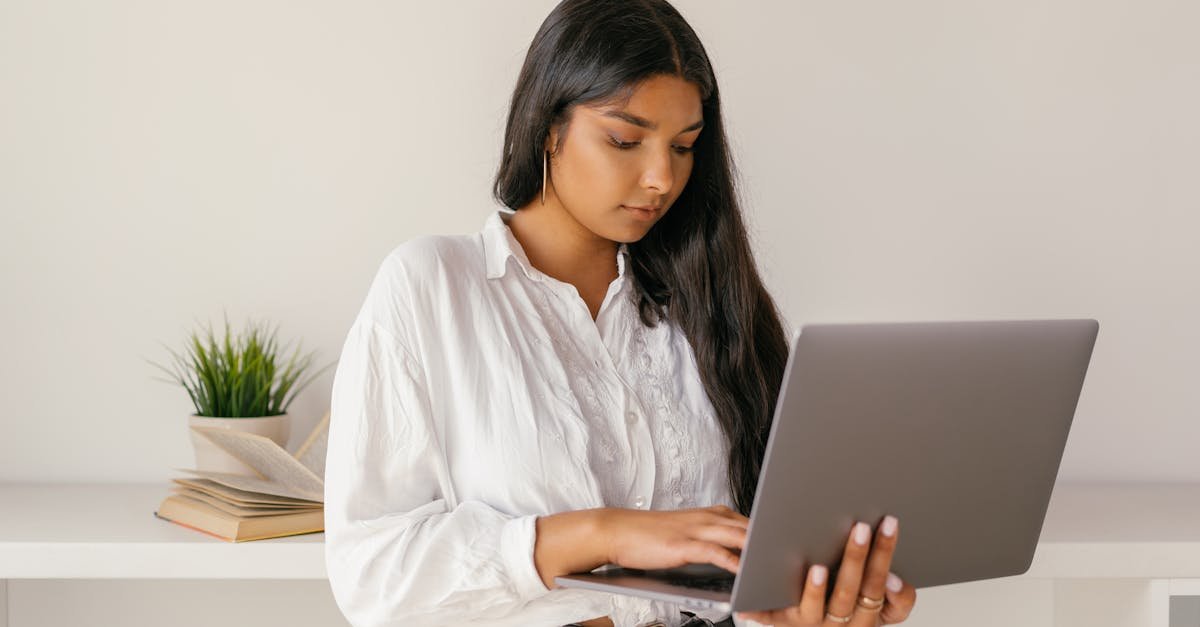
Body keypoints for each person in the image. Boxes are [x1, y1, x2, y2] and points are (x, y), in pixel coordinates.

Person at [324, 1, 919, 626]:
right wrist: (605, 534)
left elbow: (750, 573)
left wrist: (813, 609)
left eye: (685, 147)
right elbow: (370, 574)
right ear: (548, 126)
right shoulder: (434, 287)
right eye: (625, 140)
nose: (662, 178)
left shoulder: (712, 306)